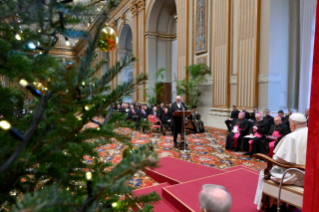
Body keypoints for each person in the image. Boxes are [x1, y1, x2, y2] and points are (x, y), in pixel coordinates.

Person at [254, 113, 308, 211]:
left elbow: (278, 159)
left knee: (265, 173)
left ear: (293, 125)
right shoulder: (312, 134)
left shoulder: (291, 137)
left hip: (294, 175)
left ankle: (271, 206)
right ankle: (290, 204)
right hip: (308, 173)